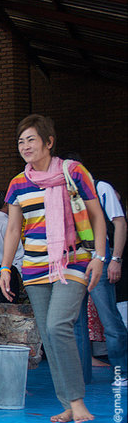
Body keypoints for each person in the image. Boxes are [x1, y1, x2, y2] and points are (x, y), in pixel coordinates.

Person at [0, 114, 105, 423]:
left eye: (31, 139)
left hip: (72, 260)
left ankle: (77, 401)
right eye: (20, 141)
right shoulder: (18, 183)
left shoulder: (74, 172)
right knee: (48, 333)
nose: (25, 146)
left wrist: (100, 257)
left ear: (48, 142)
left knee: (59, 325)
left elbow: (97, 216)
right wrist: (6, 267)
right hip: (33, 267)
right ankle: (68, 404)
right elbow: (13, 230)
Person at [65, 153, 127, 388]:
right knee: (76, 322)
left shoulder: (101, 188)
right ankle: (82, 376)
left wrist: (116, 259)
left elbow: (119, 222)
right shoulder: (64, 194)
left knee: (108, 316)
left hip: (100, 257)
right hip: (75, 261)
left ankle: (121, 371)